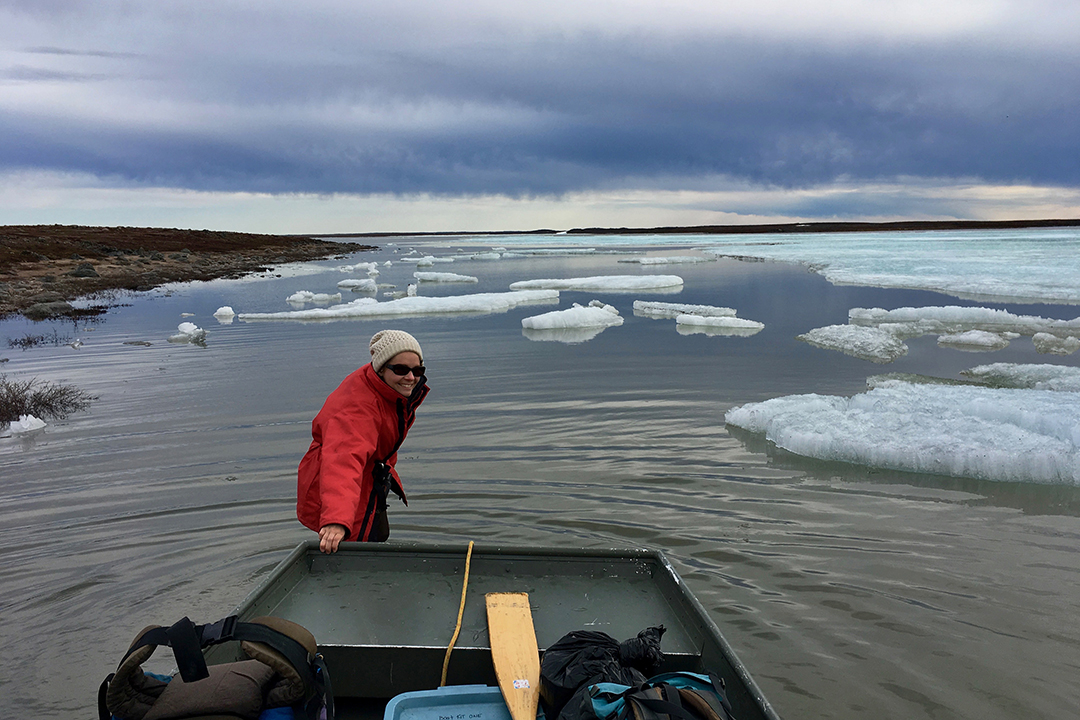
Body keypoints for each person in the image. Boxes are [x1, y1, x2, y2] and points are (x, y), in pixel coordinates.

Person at [297, 329, 430, 553]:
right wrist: (336, 520)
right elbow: (343, 460)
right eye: (400, 369)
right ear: (381, 368)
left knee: (377, 534)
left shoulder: (387, 389)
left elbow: (381, 437)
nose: (410, 377)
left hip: (368, 473)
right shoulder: (357, 407)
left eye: (417, 370)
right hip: (335, 482)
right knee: (348, 545)